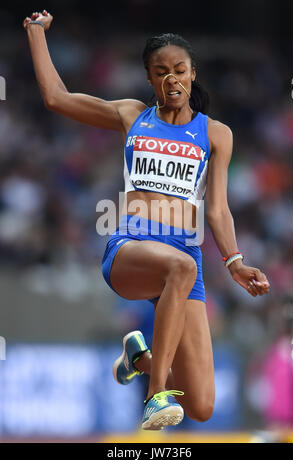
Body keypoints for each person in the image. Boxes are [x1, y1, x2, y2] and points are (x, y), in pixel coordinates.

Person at [23, 10, 270, 431]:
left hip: (183, 260)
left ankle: (139, 357)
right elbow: (56, 98)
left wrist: (235, 262)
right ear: (149, 79)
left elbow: (217, 209)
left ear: (192, 74)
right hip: (131, 250)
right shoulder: (131, 115)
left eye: (179, 70)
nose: (171, 79)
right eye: (161, 72)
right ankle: (155, 395)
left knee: (202, 406)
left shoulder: (216, 134)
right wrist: (35, 33)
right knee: (182, 265)